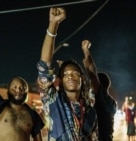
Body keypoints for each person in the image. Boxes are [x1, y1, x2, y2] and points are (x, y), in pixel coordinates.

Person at [37, 7, 97, 140]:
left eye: (75, 73)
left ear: (82, 78)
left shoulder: (90, 111)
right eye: (65, 74)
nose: (70, 76)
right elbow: (44, 67)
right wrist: (53, 25)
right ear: (61, 80)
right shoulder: (53, 100)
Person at [0, 35, 44, 141]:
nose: (18, 90)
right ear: (8, 90)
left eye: (22, 88)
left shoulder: (33, 115)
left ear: (27, 92)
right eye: (14, 87)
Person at [81, 40, 117, 141]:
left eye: (93, 84)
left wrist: (86, 50)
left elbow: (93, 73)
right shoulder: (108, 101)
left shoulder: (103, 99)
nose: (90, 86)